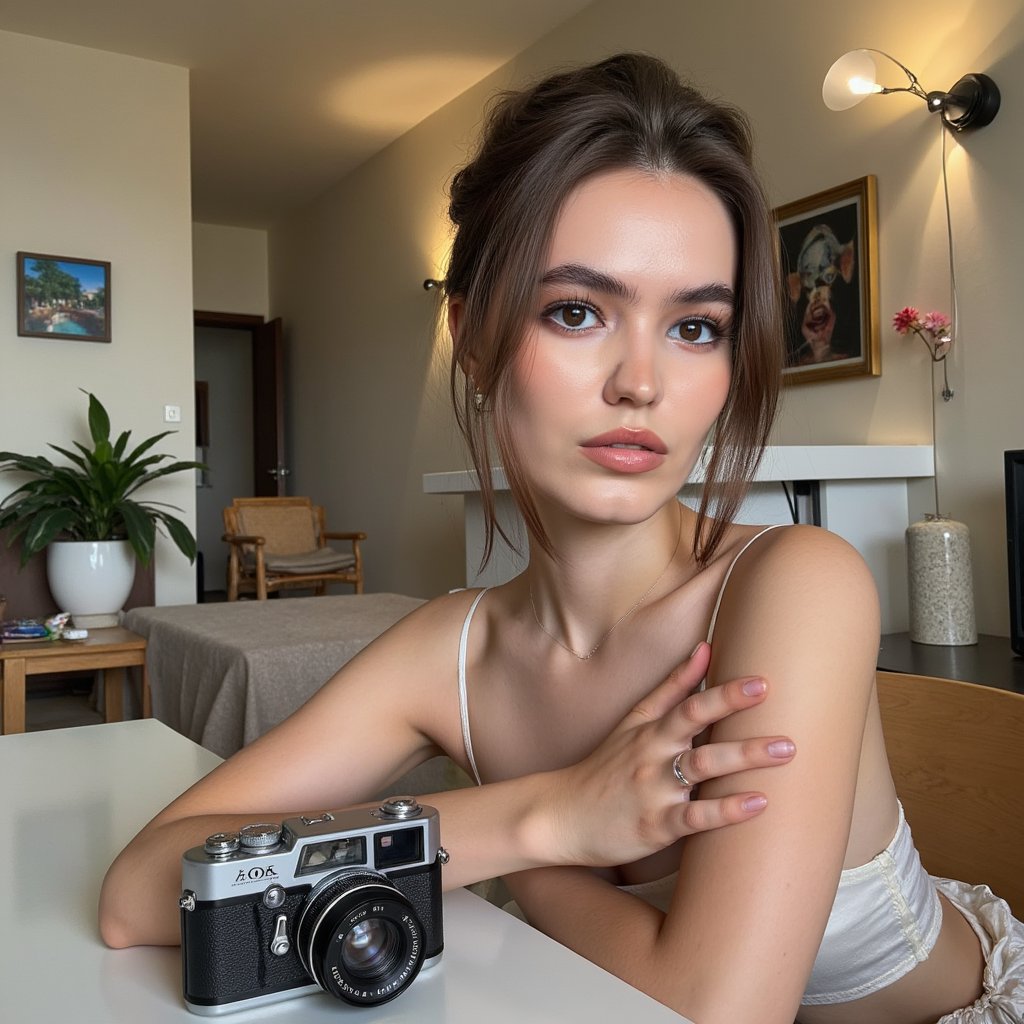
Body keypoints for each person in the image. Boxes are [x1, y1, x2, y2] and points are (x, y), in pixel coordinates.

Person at [99, 53, 1023, 1024]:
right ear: (473, 335)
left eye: (696, 327)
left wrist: (521, 851)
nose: (641, 382)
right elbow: (137, 894)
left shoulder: (794, 582)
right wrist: (548, 814)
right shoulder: (453, 650)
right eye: (577, 311)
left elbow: (713, 1010)